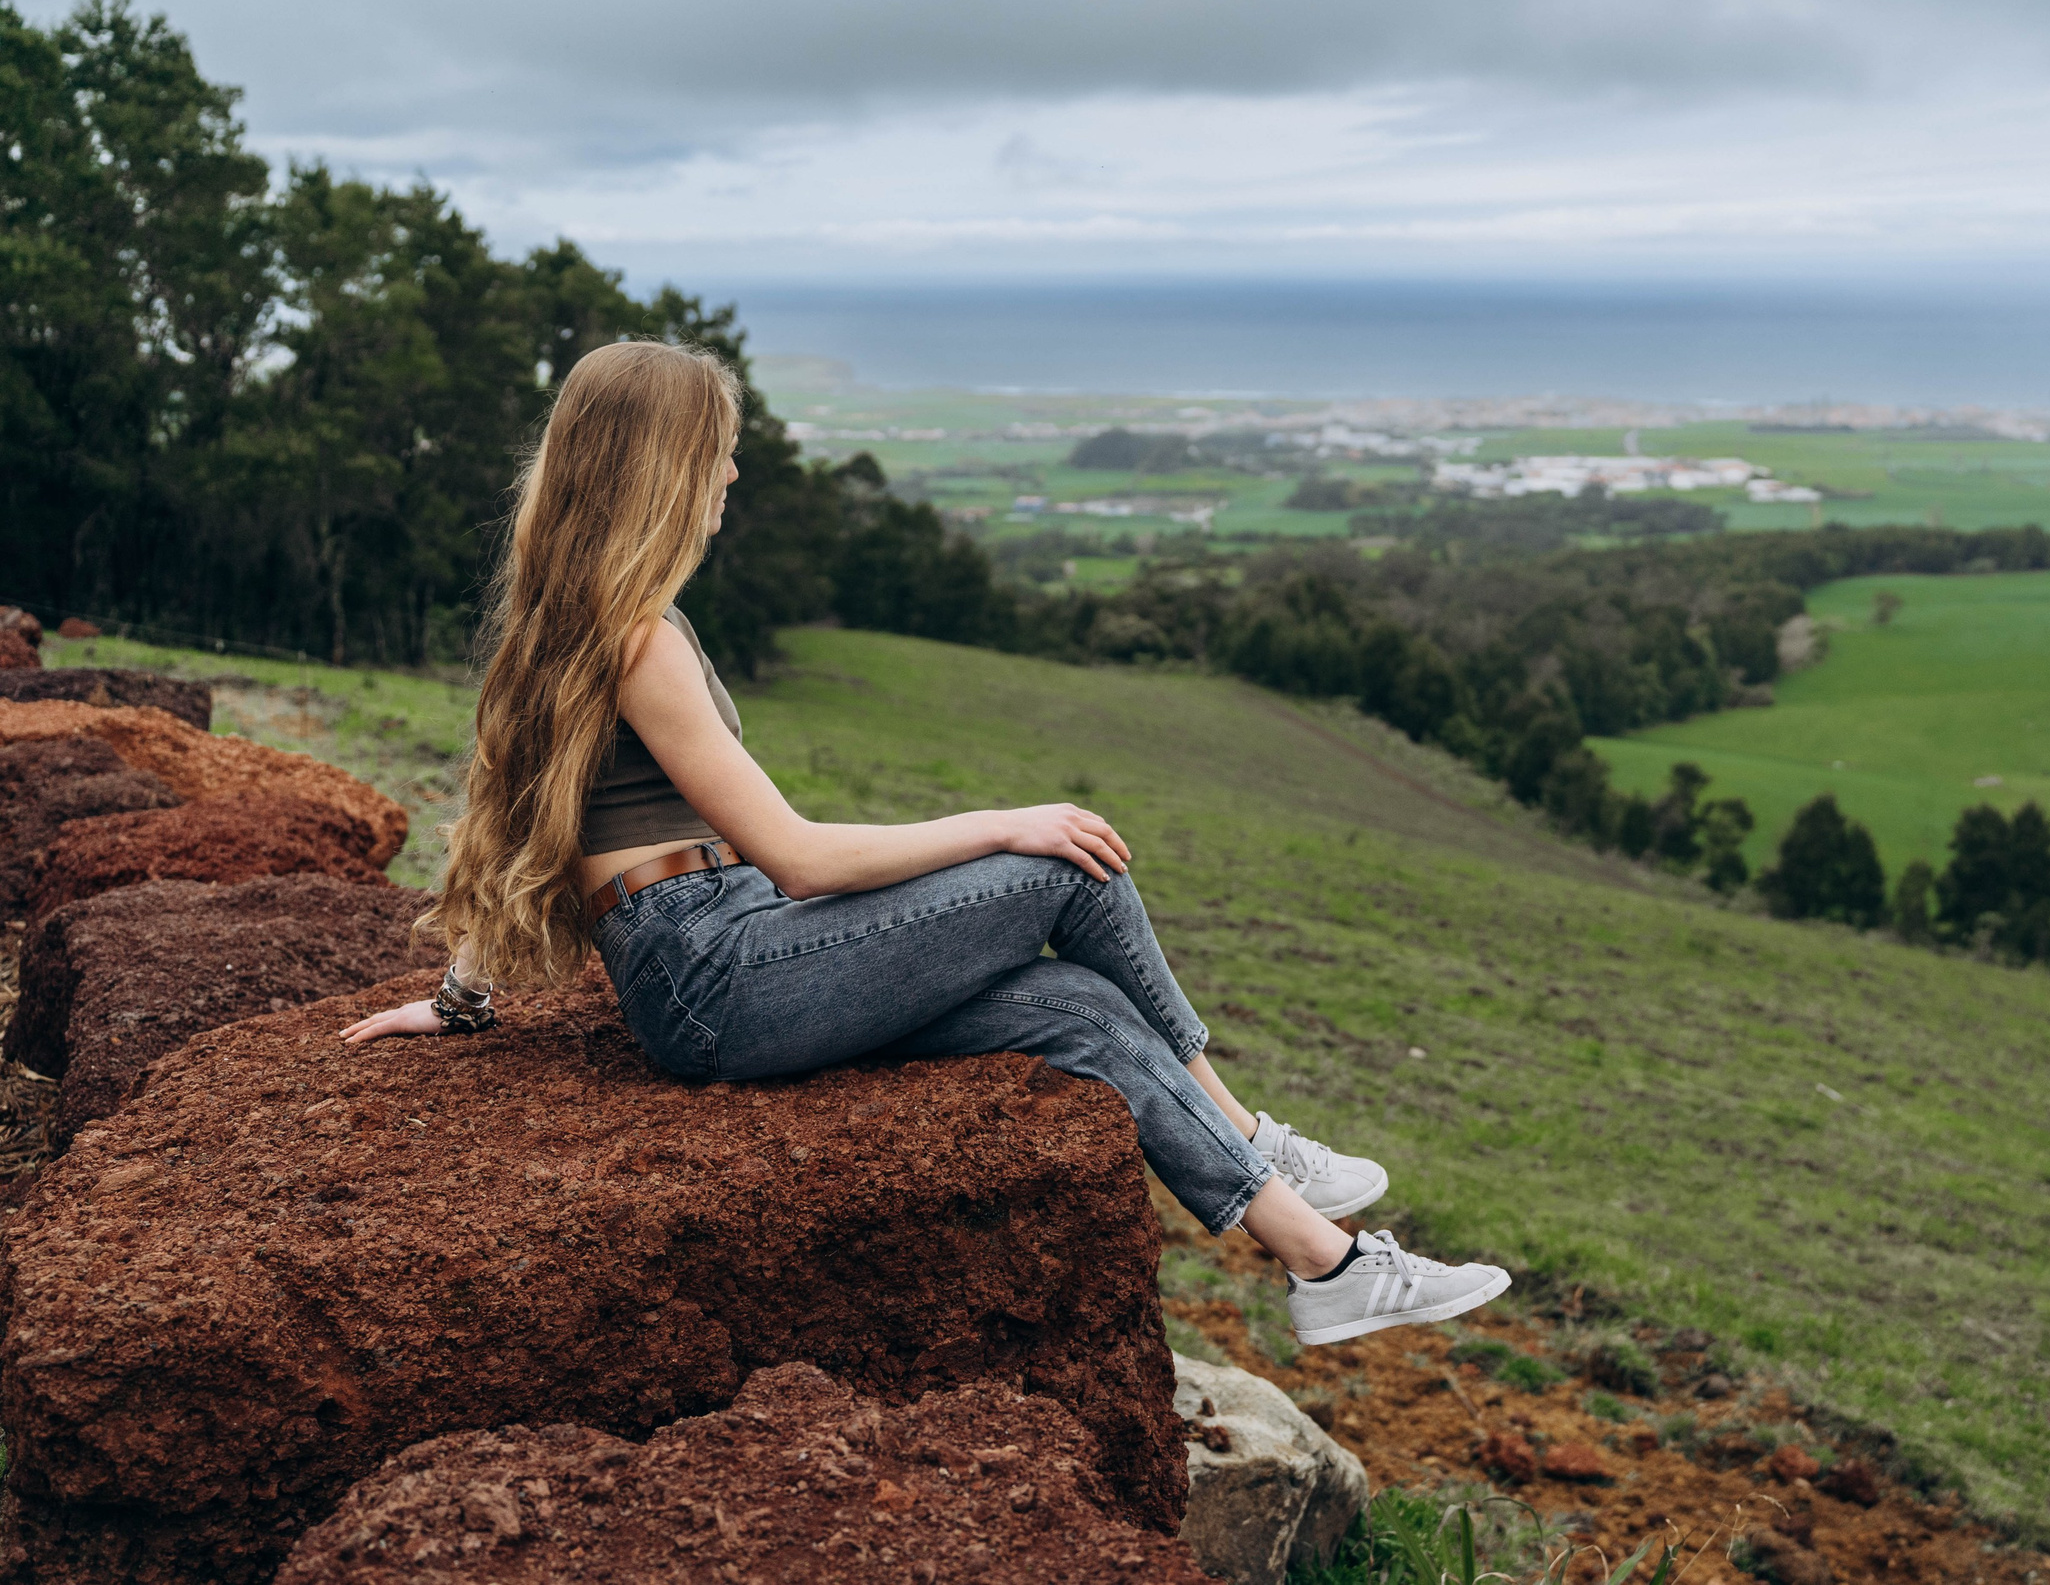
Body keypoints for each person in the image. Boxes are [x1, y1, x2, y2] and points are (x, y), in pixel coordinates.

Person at [340, 340, 1508, 1346]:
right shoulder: (636, 640)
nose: (735, 472)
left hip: (721, 957)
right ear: (663, 467)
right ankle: (1258, 1139)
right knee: (1062, 865)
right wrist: (1001, 822)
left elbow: (513, 822)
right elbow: (792, 856)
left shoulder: (577, 622)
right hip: (717, 975)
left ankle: (1326, 1267)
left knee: (1078, 1015)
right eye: (720, 449)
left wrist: (459, 1001)